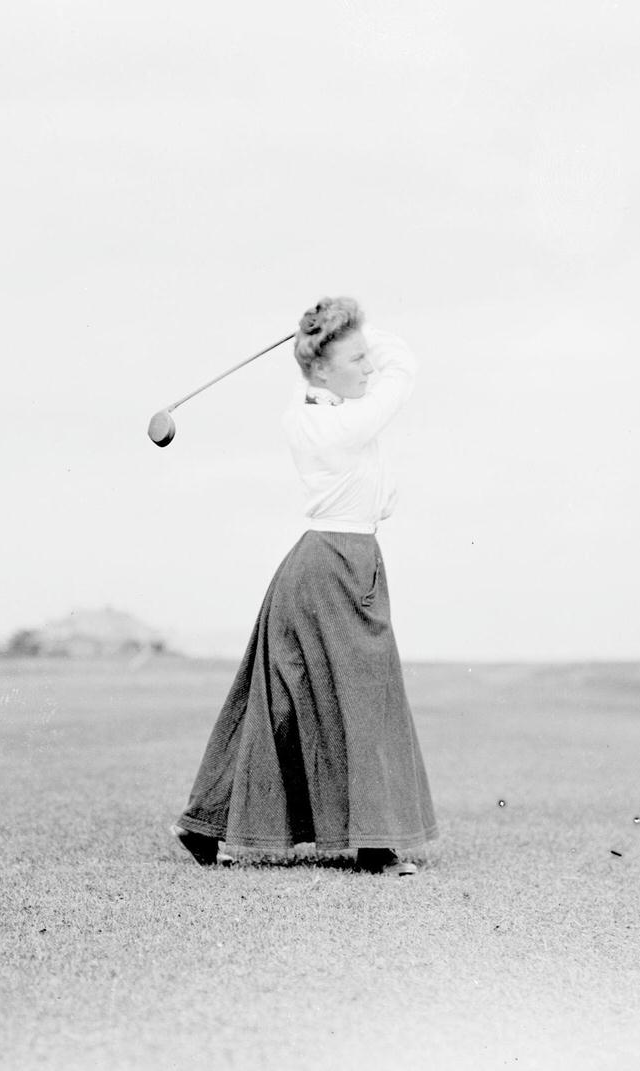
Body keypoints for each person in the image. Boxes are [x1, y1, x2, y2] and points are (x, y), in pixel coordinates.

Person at [172, 296, 437, 876]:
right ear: (320, 369)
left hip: (344, 559)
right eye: (355, 360)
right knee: (356, 699)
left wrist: (334, 325)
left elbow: (382, 361)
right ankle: (374, 845)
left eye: (366, 358)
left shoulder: (320, 401)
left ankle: (205, 827)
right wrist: (344, 333)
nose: (368, 367)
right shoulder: (331, 423)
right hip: (331, 564)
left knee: (293, 698)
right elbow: (403, 368)